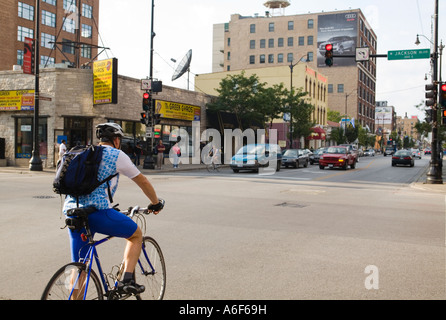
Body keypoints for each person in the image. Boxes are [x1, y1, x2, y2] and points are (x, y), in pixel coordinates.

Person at [63, 123, 164, 295]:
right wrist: (155, 203)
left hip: (73, 212)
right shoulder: (116, 155)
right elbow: (143, 181)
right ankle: (125, 281)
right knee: (136, 234)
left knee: (80, 267)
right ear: (116, 140)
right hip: (98, 212)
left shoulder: (83, 153)